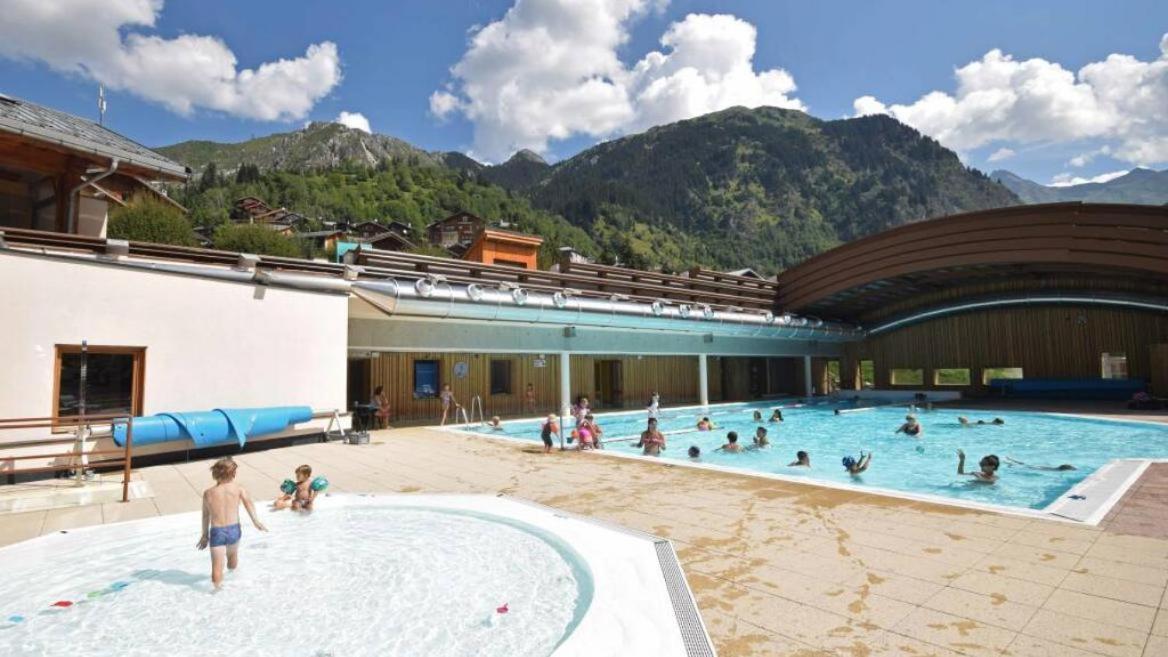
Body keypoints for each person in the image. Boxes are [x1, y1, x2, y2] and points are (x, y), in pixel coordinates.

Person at [197, 457, 267, 589]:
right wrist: (256, 521)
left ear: (214, 474)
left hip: (217, 532)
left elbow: (205, 515)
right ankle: (234, 578)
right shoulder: (239, 489)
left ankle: (217, 590)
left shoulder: (208, 493)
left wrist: (204, 535)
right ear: (234, 474)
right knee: (232, 559)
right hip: (234, 530)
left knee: (216, 569)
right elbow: (248, 504)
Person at [1004, 456, 1075, 471]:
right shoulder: (1058, 470)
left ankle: (1010, 459)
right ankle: (1011, 463)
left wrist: (1072, 468)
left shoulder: (1057, 468)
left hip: (1039, 466)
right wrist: (1072, 469)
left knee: (1023, 464)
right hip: (1038, 468)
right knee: (1023, 465)